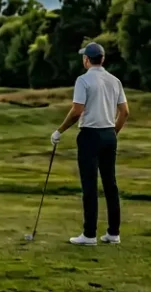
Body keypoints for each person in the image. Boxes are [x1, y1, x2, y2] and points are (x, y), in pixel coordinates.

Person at [50, 42, 129, 246]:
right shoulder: (115, 80)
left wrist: (59, 131)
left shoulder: (83, 80)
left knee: (90, 185)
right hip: (109, 135)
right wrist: (113, 132)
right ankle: (113, 233)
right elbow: (125, 112)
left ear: (87, 60)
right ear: (102, 59)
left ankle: (89, 235)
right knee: (110, 184)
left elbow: (77, 111)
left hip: (89, 136)